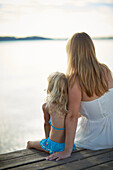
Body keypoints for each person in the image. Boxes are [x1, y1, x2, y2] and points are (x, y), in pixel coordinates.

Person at [46, 32, 113, 161]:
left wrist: (67, 151)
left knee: (51, 143)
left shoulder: (75, 80)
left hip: (96, 138)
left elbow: (72, 116)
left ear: (71, 53)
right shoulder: (105, 69)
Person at [27, 72, 76, 154]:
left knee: (29, 143)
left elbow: (46, 124)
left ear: (50, 87)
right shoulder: (70, 106)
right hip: (68, 146)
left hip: (53, 146)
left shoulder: (47, 106)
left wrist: (47, 140)